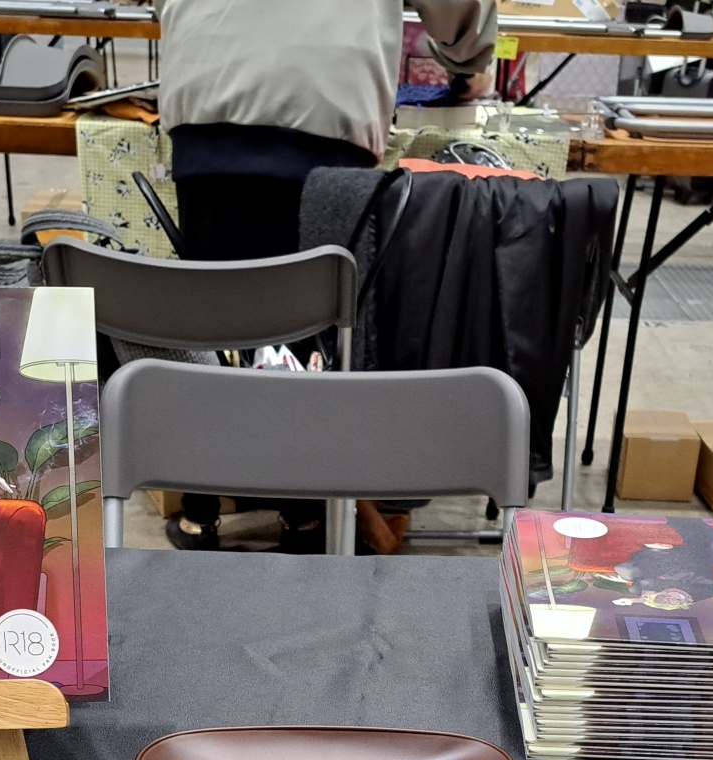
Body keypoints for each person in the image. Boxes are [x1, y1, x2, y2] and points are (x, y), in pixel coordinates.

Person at [154, 0, 497, 552]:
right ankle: (303, 511)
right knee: (314, 324)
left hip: (207, 104)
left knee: (213, 323)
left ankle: (202, 510)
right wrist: (467, 59)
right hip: (326, 110)